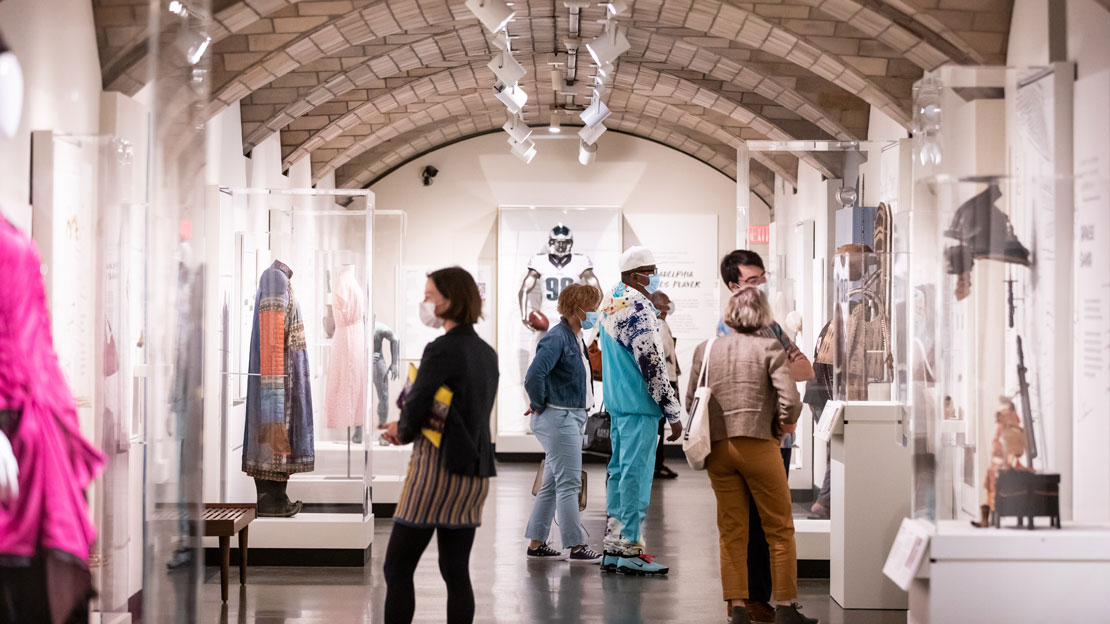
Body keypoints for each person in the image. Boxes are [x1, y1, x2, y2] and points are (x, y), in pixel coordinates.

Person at [687, 288, 817, 624]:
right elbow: (789, 400)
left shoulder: (706, 348)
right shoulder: (770, 348)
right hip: (759, 443)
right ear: (762, 315)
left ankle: (738, 608)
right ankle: (786, 607)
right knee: (778, 527)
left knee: (732, 529)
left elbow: (691, 400)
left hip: (718, 448)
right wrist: (782, 426)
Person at [379, 267, 498, 624]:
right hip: (475, 470)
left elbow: (416, 405)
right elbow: (462, 409)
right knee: (455, 570)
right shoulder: (486, 352)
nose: (425, 302)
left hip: (437, 469)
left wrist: (401, 429)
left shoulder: (441, 349)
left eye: (430, 296)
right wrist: (406, 423)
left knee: (397, 567)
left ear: (450, 300)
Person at [718, 249, 812, 622]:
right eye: (752, 280)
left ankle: (757, 600)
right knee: (750, 524)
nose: (760, 286)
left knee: (764, 522)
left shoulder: (771, 326)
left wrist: (778, 372)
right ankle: (751, 600)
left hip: (776, 439)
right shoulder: (727, 329)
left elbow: (805, 368)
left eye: (762, 278)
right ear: (733, 285)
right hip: (752, 437)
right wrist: (778, 370)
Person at [598, 246, 683, 575]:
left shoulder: (610, 301)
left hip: (619, 405)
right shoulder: (639, 307)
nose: (654, 276)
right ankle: (631, 550)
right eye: (650, 270)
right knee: (635, 478)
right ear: (635, 276)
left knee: (619, 476)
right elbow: (652, 365)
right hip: (640, 408)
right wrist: (673, 412)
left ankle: (614, 547)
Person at [522, 284, 604, 563]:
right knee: (569, 482)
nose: (595, 312)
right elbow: (534, 375)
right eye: (592, 307)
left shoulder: (575, 337)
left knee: (553, 484)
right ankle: (576, 546)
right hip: (560, 417)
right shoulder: (557, 338)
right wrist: (538, 403)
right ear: (577, 309)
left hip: (569, 415)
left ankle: (536, 543)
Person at [648, 290, 680, 480]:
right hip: (664, 383)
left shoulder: (661, 325)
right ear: (659, 306)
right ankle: (655, 465)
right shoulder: (658, 326)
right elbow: (661, 357)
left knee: (659, 425)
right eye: (666, 303)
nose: (669, 306)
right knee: (658, 425)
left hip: (667, 382)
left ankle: (657, 464)